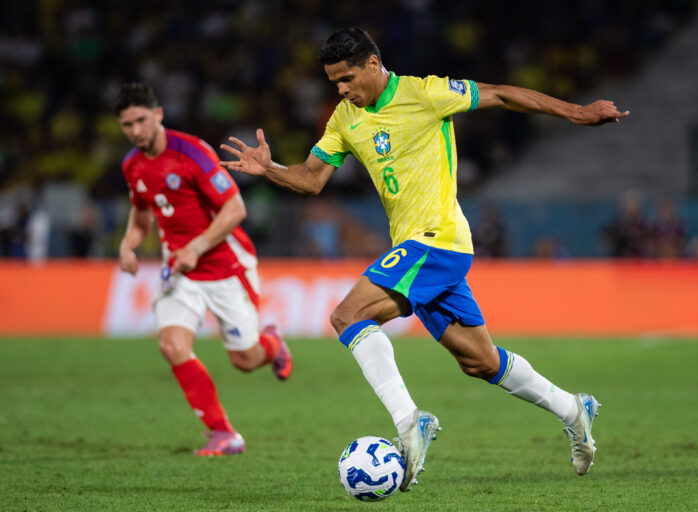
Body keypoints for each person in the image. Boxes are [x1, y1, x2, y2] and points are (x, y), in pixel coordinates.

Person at [221, 28, 628, 489]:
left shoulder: (425, 93)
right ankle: (573, 409)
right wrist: (270, 169)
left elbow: (499, 94)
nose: (341, 90)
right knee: (480, 362)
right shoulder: (344, 118)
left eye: (347, 79)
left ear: (372, 64)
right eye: (334, 83)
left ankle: (408, 421)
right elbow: (312, 179)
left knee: (347, 316)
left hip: (438, 239)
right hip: (419, 249)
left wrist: (576, 112)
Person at [115, 83, 292, 457]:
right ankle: (223, 433)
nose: (135, 131)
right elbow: (142, 211)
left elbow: (235, 209)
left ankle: (273, 343)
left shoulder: (192, 153)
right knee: (171, 345)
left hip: (226, 266)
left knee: (244, 360)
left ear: (158, 114)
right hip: (180, 271)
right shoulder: (132, 164)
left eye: (141, 120)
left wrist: (195, 248)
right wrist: (128, 244)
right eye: (127, 124)